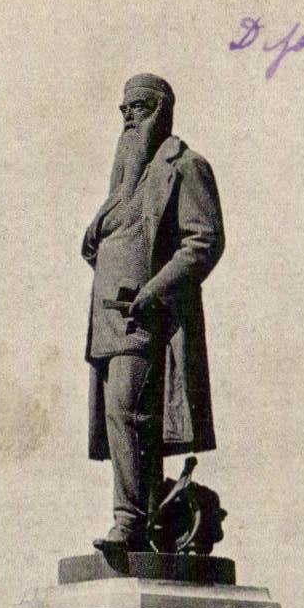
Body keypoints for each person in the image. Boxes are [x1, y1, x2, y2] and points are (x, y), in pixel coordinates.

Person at [82, 74, 225, 551]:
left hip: (148, 318)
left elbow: (204, 241)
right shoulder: (121, 186)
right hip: (107, 324)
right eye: (123, 109)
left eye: (138, 107)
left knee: (129, 412)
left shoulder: (186, 166)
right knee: (122, 420)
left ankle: (130, 522)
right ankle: (143, 518)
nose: (128, 117)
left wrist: (152, 291)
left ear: (162, 110)